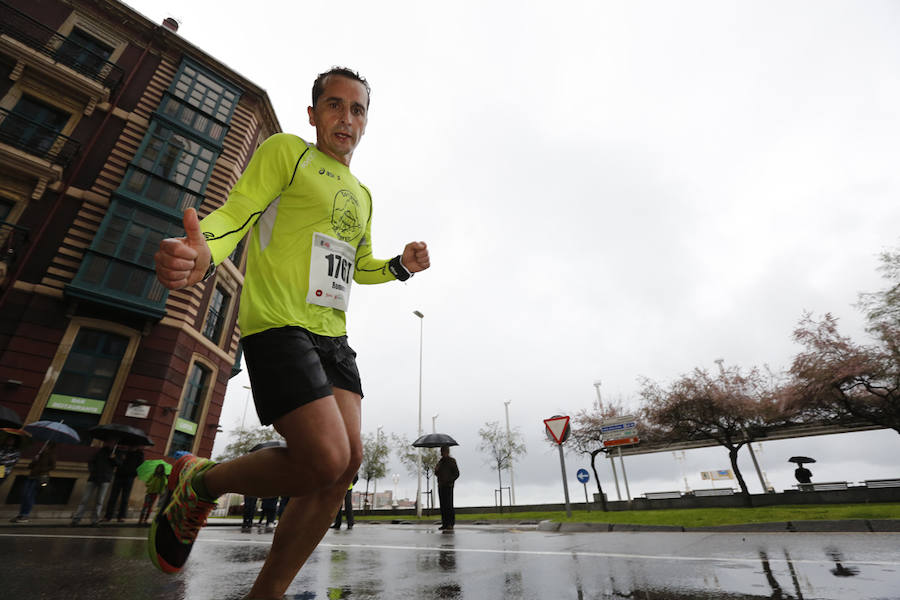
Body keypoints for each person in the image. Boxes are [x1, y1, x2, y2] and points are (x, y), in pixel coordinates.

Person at [150, 66, 430, 599]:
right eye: (335, 105)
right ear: (314, 114)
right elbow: (237, 213)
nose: (346, 118)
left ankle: (267, 594)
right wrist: (204, 250)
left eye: (357, 109)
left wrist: (398, 265)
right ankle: (199, 482)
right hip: (278, 322)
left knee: (344, 468)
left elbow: (359, 264)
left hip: (333, 335)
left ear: (366, 122)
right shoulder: (287, 152)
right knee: (323, 457)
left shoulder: (363, 194)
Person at [71, 442, 118, 526]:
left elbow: (119, 464)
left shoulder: (116, 453)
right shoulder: (100, 452)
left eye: (114, 443)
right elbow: (91, 461)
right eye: (111, 442)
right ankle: (77, 519)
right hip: (94, 477)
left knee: (99, 501)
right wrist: (92, 470)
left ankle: (95, 520)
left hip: (105, 479)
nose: (112, 444)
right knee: (84, 499)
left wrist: (113, 458)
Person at [10, 441, 56, 523]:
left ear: (49, 447)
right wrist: (35, 460)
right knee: (24, 494)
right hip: (31, 476)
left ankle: (25, 514)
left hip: (40, 477)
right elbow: (30, 466)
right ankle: (21, 514)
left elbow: (52, 467)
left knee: (30, 495)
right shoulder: (39, 454)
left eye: (46, 446)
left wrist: (41, 469)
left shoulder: (50, 455)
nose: (44, 447)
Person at [104, 445, 144, 522]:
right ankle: (108, 515)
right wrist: (113, 459)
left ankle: (121, 516)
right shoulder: (122, 452)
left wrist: (133, 474)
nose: (131, 447)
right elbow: (117, 463)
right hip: (119, 476)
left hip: (129, 478)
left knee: (125, 498)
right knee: (113, 496)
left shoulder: (139, 455)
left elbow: (140, 467)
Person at [435, 446, 460, 530]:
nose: (441, 453)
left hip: (448, 486)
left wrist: (450, 481)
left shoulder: (452, 461)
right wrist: (436, 469)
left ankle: (450, 523)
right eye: (441, 451)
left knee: (449, 505)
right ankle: (444, 523)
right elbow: (436, 473)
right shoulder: (440, 462)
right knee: (442, 505)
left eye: (443, 451)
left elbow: (456, 473)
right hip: (441, 485)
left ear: (447, 452)